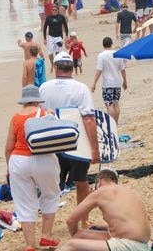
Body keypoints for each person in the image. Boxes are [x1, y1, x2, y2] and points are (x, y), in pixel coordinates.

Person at [39, 53, 100, 225]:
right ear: (72, 69)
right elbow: (88, 119)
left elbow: (39, 116)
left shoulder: (44, 87)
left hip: (51, 143)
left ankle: (47, 226)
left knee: (51, 187)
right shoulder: (80, 88)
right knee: (81, 182)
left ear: (55, 67)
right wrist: (94, 149)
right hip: (77, 143)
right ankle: (83, 221)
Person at [5, 85, 62, 250]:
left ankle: (30, 244)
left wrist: (9, 168)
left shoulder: (15, 118)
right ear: (38, 99)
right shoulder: (45, 113)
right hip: (43, 159)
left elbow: (9, 147)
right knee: (50, 195)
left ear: (23, 101)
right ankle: (46, 236)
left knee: (24, 202)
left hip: (18, 160)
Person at [60, 169, 152, 251]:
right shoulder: (130, 192)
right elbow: (129, 222)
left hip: (128, 245)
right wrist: (103, 227)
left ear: (99, 182)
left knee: (71, 245)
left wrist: (74, 235)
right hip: (144, 245)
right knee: (82, 235)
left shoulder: (102, 191)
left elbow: (71, 220)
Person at [91, 37, 127, 123]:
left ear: (103, 45)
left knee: (109, 105)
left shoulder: (101, 55)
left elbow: (99, 70)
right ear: (111, 44)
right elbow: (122, 69)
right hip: (117, 82)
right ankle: (116, 123)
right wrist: (125, 81)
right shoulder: (117, 54)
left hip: (107, 83)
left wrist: (94, 83)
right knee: (116, 103)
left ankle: (112, 124)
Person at [44, 5, 69, 72]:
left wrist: (66, 35)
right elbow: (45, 28)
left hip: (59, 37)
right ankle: (52, 65)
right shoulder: (48, 18)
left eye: (55, 10)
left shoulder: (61, 17)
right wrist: (44, 38)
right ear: (51, 11)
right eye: (53, 10)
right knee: (50, 53)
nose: (54, 11)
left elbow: (66, 26)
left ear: (57, 11)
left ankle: (57, 66)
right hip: (51, 37)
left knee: (58, 52)